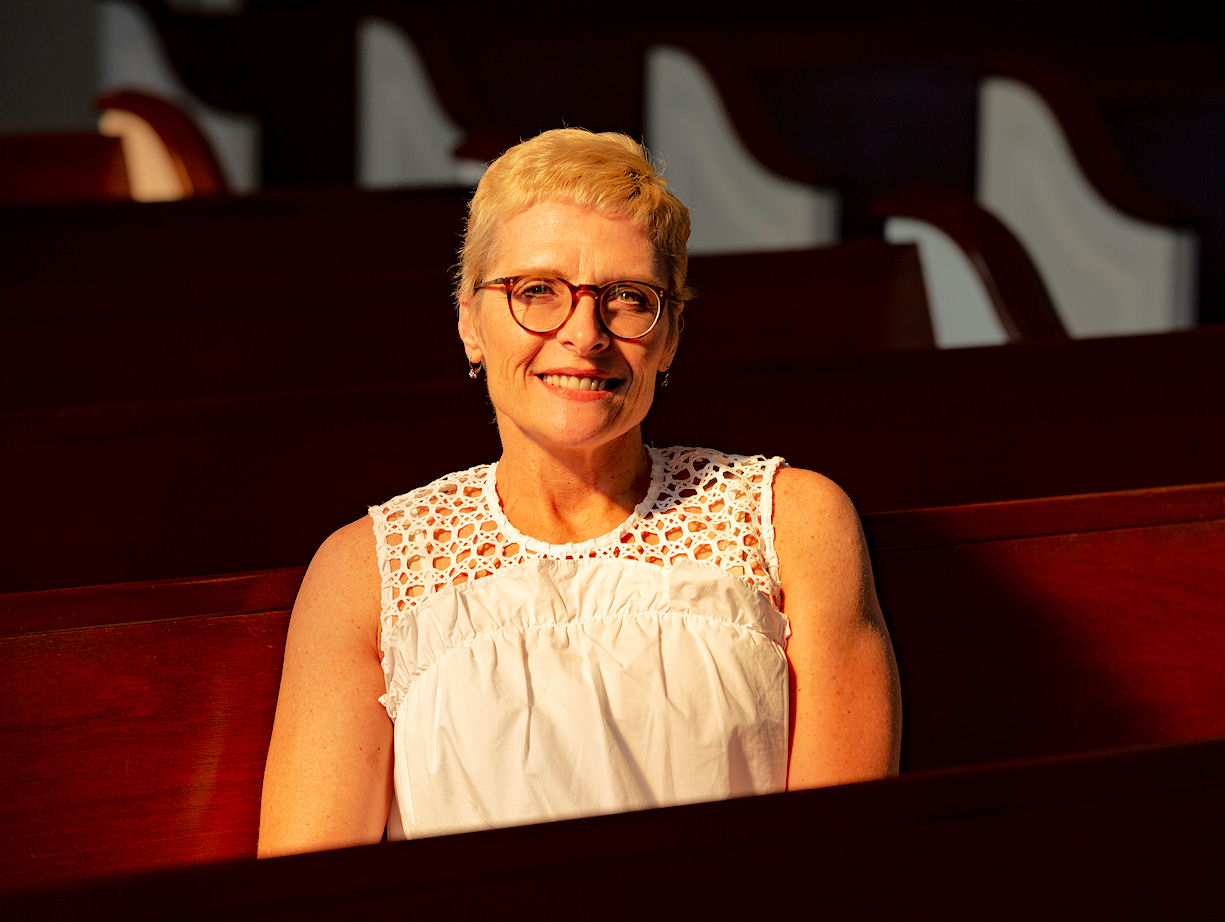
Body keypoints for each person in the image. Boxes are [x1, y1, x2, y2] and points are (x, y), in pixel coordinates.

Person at [258, 128, 900, 856]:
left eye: (627, 299)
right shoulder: (366, 570)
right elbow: (309, 886)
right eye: (537, 291)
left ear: (672, 336)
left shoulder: (794, 521)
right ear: (470, 321)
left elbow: (843, 862)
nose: (584, 333)